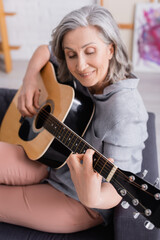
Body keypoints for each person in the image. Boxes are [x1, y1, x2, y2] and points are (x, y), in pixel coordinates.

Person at [0, 5, 148, 233]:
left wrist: (93, 197)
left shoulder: (126, 111)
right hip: (46, 157)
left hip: (74, 198)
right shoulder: (76, 66)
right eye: (71, 55)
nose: (80, 65)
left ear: (110, 49)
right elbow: (45, 51)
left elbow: (116, 190)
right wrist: (29, 80)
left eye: (90, 52)